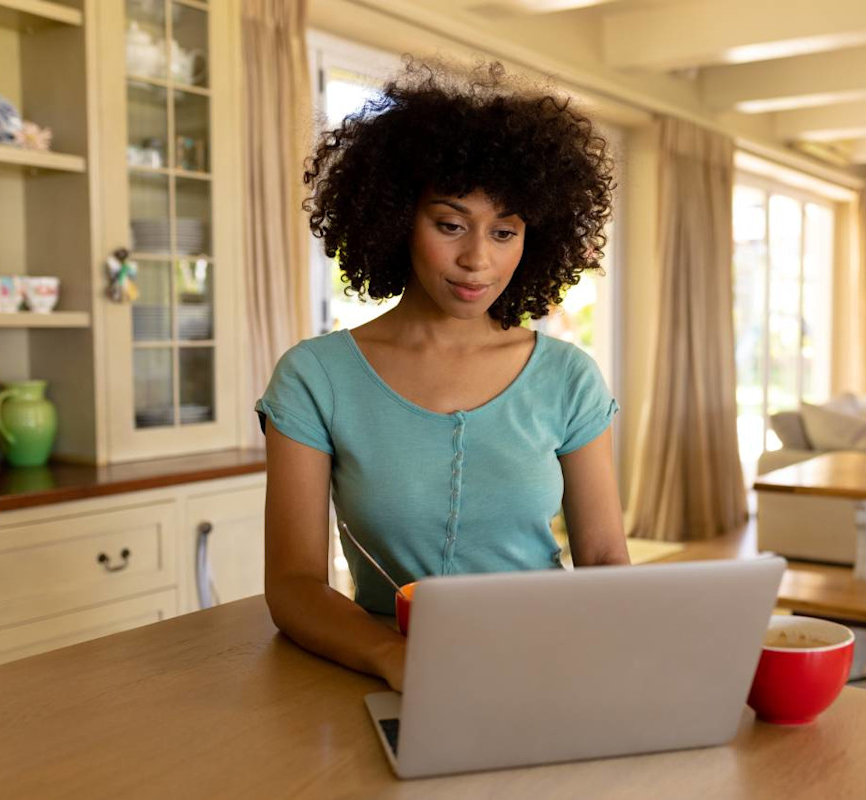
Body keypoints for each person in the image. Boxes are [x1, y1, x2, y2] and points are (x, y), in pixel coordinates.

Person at [256, 61, 629, 691]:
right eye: (450, 224)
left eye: (504, 232)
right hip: (380, 673)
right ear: (398, 217)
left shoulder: (568, 376)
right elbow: (293, 585)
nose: (477, 259)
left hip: (549, 668)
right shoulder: (314, 377)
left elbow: (602, 558)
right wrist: (394, 659)